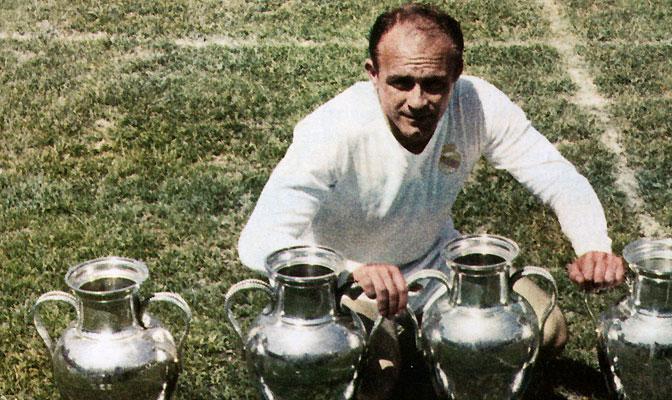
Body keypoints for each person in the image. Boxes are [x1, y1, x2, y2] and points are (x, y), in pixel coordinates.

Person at [237, 3, 624, 399]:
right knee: (376, 375)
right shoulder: (332, 129)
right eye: (401, 83)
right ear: (372, 74)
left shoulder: (478, 103)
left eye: (434, 84)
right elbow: (258, 241)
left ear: (456, 74)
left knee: (546, 328)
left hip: (436, 264)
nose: (418, 101)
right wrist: (353, 271)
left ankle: (445, 362)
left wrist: (593, 246)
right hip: (352, 282)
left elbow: (556, 176)